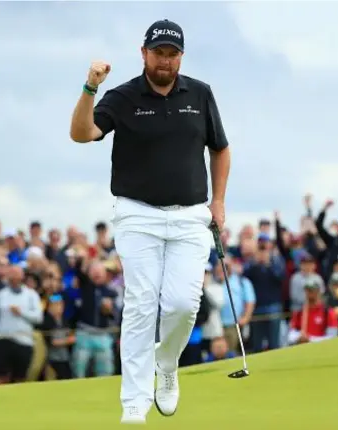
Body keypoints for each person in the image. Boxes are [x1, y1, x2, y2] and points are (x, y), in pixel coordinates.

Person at [69, 19, 231, 424]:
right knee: (141, 304)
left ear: (181, 56)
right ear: (144, 53)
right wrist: (91, 87)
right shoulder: (122, 97)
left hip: (191, 215)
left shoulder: (200, 93)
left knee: (182, 305)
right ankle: (134, 403)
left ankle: (167, 366)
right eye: (159, 53)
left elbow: (221, 149)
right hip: (137, 214)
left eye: (173, 54)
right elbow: (82, 133)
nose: (166, 61)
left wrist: (219, 202)